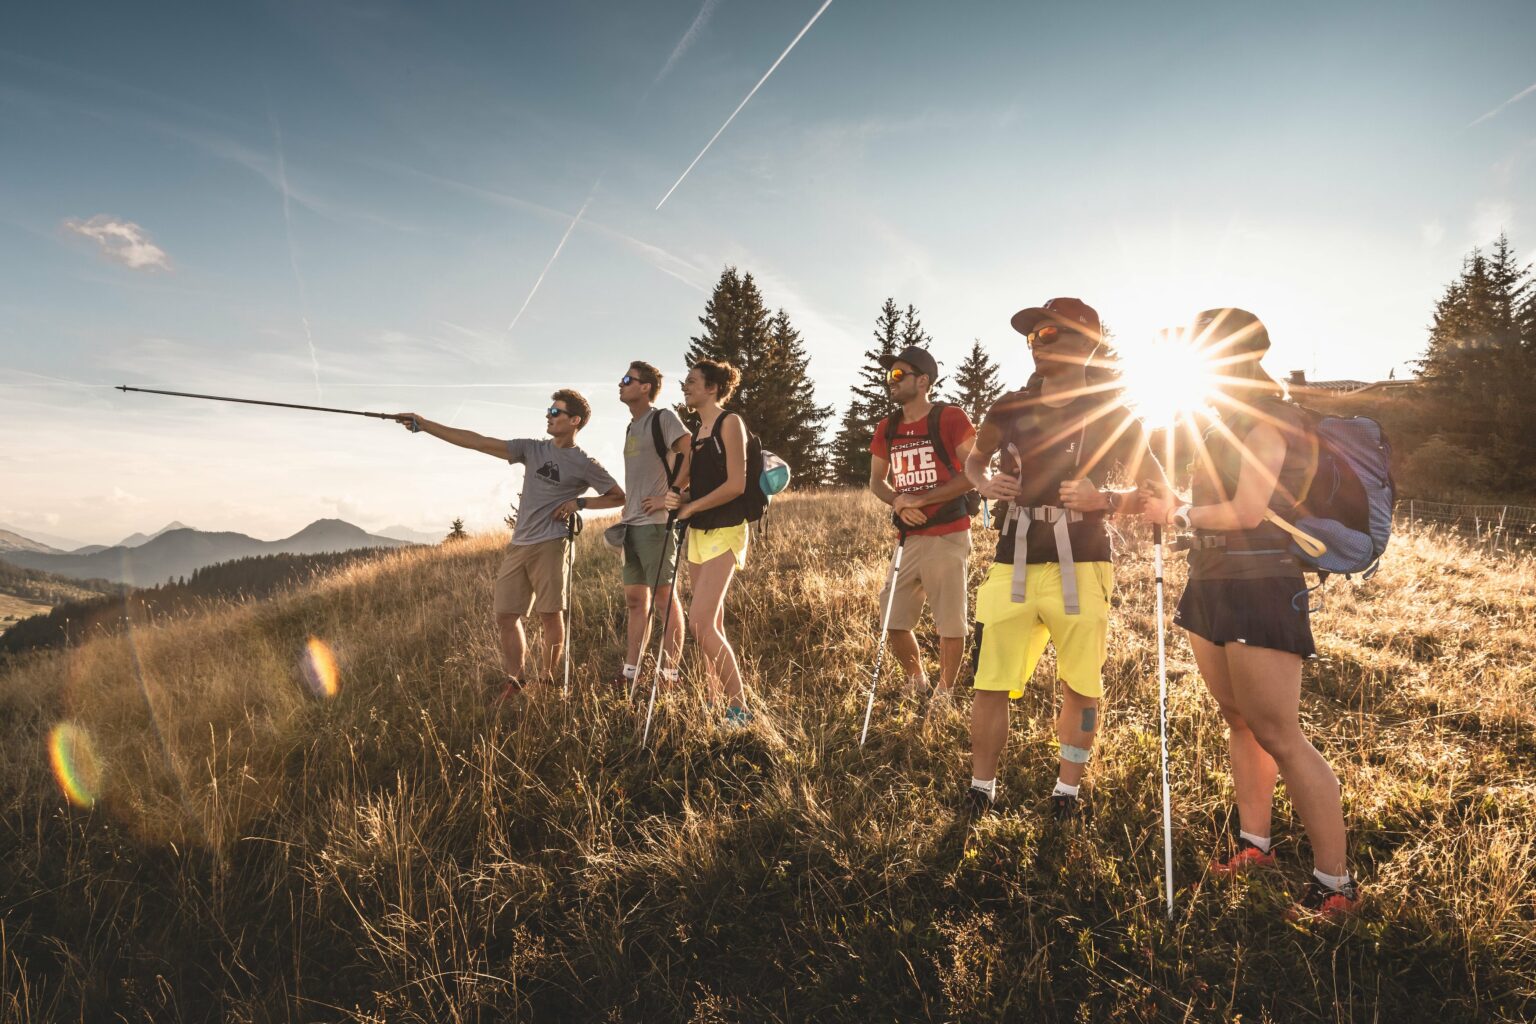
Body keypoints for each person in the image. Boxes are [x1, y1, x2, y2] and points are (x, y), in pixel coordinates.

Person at [1137, 308, 1357, 919]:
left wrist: (1177, 514)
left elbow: (1248, 510)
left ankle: (1334, 886)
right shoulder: (1217, 422)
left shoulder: (1268, 420)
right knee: (1238, 718)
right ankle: (1254, 844)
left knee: (1281, 734)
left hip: (1261, 584)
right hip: (1211, 579)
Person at [962, 298, 1167, 821]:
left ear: (1086, 344)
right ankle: (980, 790)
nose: (1037, 344)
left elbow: (1157, 489)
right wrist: (985, 483)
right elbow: (973, 459)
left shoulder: (1116, 416)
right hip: (1012, 560)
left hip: (1085, 562)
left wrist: (1109, 499)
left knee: (1081, 683)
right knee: (990, 680)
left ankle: (1066, 793)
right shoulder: (1007, 406)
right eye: (1032, 337)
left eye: (1049, 334)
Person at [395, 390, 623, 694]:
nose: (548, 416)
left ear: (574, 421)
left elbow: (618, 497)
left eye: (555, 413)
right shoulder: (532, 449)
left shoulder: (583, 462)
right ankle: (516, 680)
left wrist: (578, 503)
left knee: (549, 614)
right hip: (520, 544)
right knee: (505, 615)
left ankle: (547, 680)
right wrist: (424, 424)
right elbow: (478, 441)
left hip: (552, 544)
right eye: (549, 411)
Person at [868, 344, 977, 706]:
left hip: (948, 533)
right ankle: (916, 680)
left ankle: (944, 693)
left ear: (924, 381)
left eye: (899, 375)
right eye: (889, 376)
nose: (891, 381)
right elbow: (876, 482)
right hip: (909, 536)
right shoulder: (888, 427)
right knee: (892, 616)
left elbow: (974, 473)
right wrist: (899, 500)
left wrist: (922, 500)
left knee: (949, 621)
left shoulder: (950, 418)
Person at [664, 359, 751, 725]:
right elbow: (703, 489)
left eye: (692, 381)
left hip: (727, 529)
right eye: (685, 382)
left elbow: (736, 484)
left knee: (700, 623)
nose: (685, 386)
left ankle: (740, 709)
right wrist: (682, 502)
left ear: (713, 388)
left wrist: (692, 506)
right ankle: (714, 702)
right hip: (699, 533)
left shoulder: (730, 423)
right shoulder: (698, 433)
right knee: (710, 621)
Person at [612, 361, 691, 693]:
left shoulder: (663, 418)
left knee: (663, 599)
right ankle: (632, 671)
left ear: (645, 387)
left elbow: (689, 450)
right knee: (634, 599)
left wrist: (671, 496)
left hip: (656, 525)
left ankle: (670, 676)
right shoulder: (632, 427)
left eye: (627, 379)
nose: (621, 383)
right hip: (631, 525)